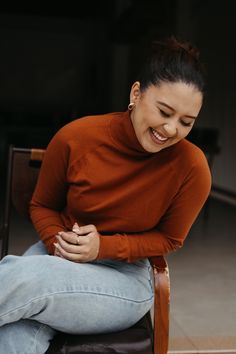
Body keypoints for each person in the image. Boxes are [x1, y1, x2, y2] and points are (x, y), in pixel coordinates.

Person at [0, 36, 211, 353]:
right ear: (136, 93)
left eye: (186, 122)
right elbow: (42, 205)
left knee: (28, 277)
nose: (170, 130)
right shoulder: (76, 138)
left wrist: (102, 247)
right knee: (17, 328)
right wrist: (60, 247)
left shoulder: (192, 167)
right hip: (56, 254)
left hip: (124, 279)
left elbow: (169, 239)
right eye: (164, 111)